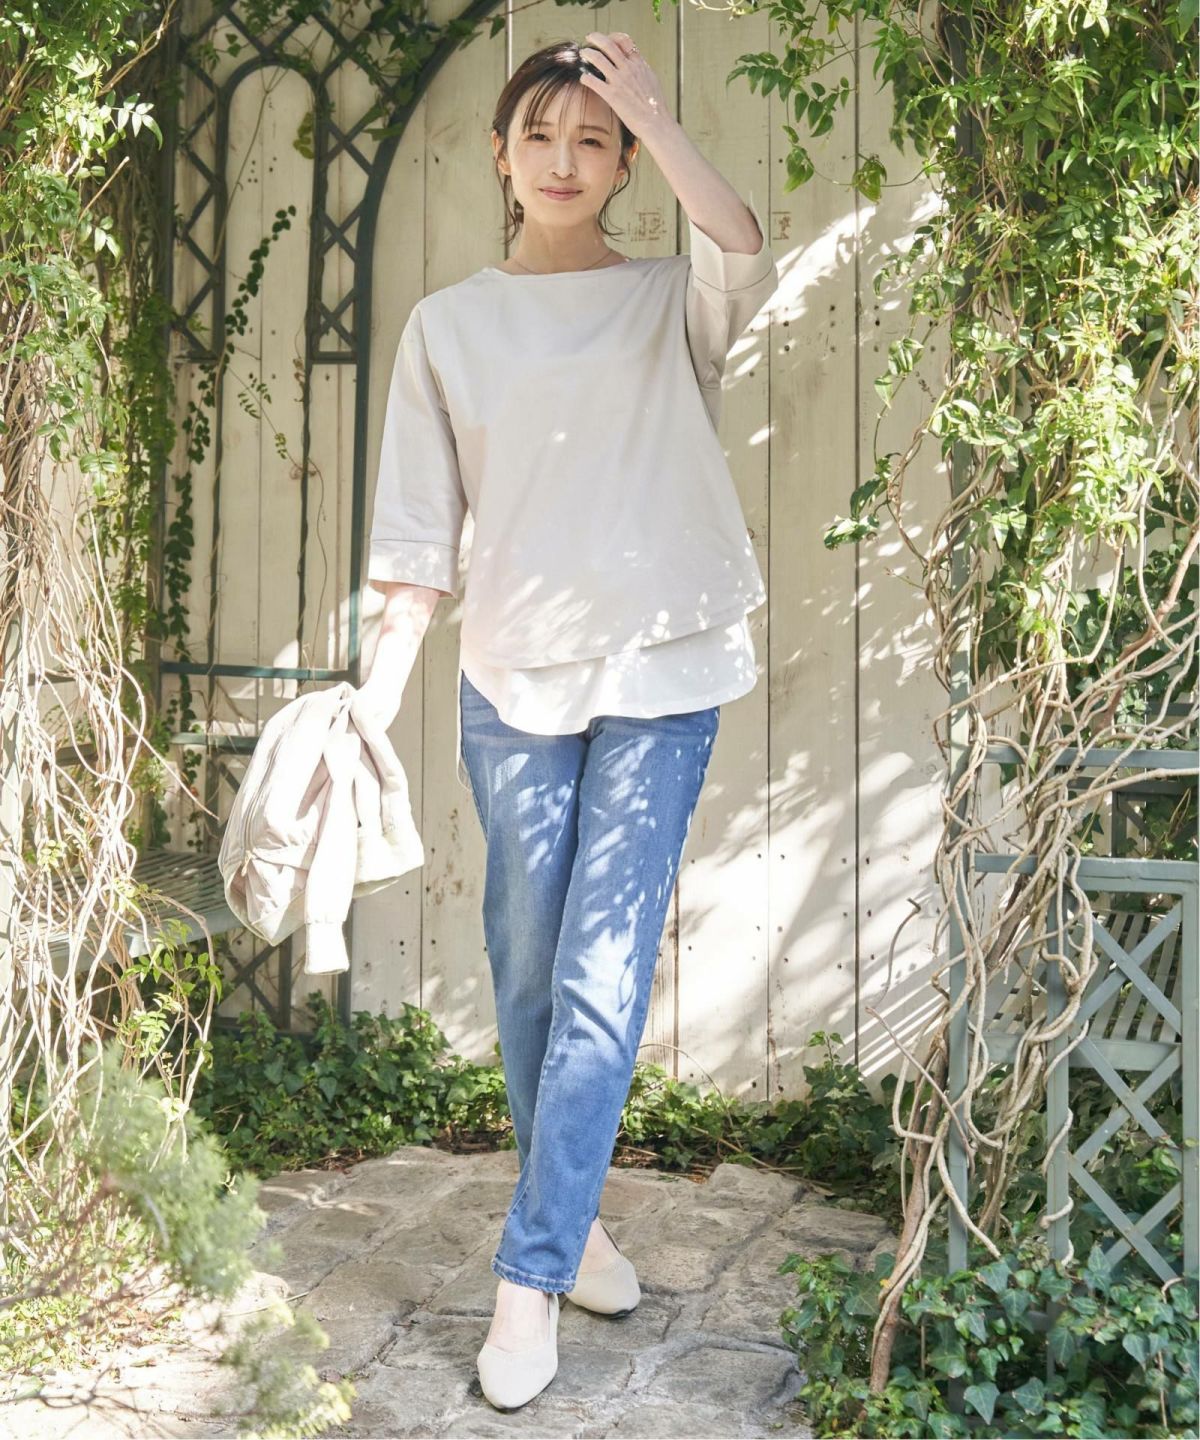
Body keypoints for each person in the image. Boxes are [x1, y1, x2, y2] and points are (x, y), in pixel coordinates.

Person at [360, 31, 779, 1411]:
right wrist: (372, 702)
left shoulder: (669, 297)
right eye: (539, 136)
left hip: (663, 668)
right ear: (499, 154)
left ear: (622, 165)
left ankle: (528, 1276)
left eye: (594, 140)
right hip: (512, 678)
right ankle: (579, 1221)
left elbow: (741, 242)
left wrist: (656, 112)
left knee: (602, 977)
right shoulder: (449, 327)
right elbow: (416, 539)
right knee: (530, 969)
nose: (563, 160)